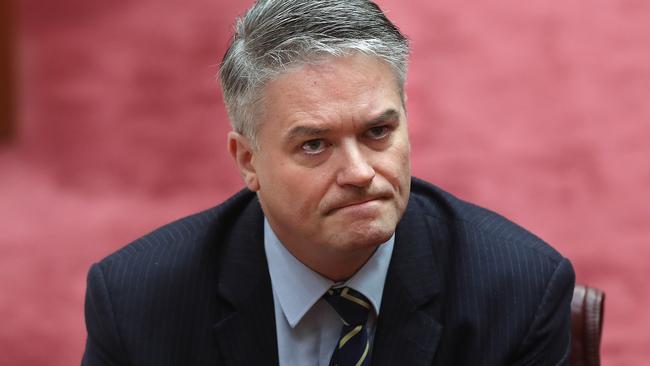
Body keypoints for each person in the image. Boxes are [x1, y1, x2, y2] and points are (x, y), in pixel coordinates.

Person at [82, 1, 575, 365]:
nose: (361, 173)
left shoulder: (518, 291)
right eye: (315, 144)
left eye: (378, 132)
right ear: (248, 159)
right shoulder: (137, 302)